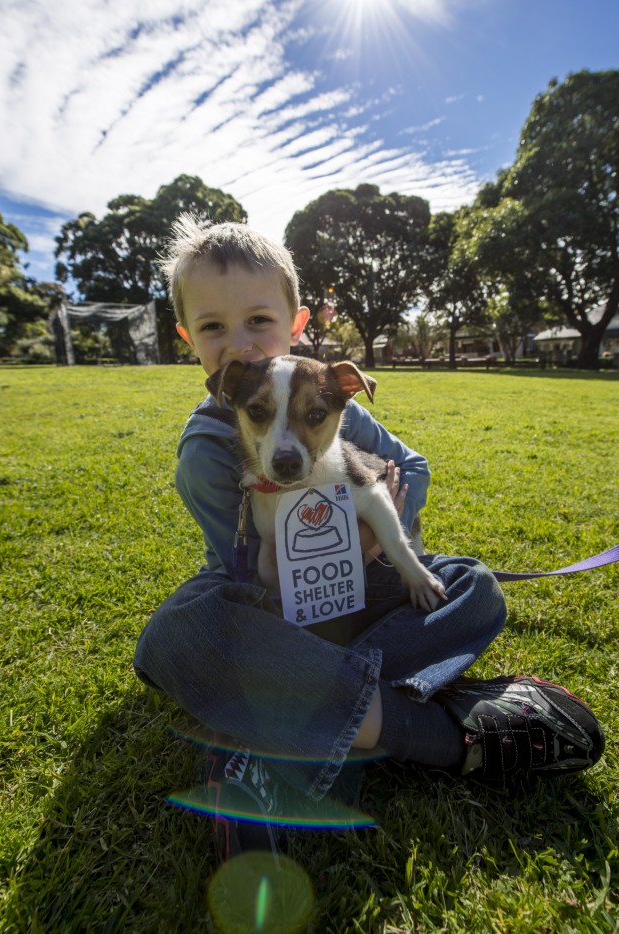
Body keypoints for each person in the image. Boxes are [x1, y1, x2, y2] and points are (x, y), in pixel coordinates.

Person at [134, 215, 604, 863]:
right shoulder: (205, 450)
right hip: (277, 611)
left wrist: (385, 543)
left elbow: (411, 467)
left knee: (475, 585)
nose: (240, 345)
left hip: (363, 590)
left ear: (296, 324)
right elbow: (247, 581)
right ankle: (434, 730)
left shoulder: (328, 393)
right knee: (175, 631)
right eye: (214, 327)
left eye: (259, 321)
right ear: (189, 339)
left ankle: (277, 749)